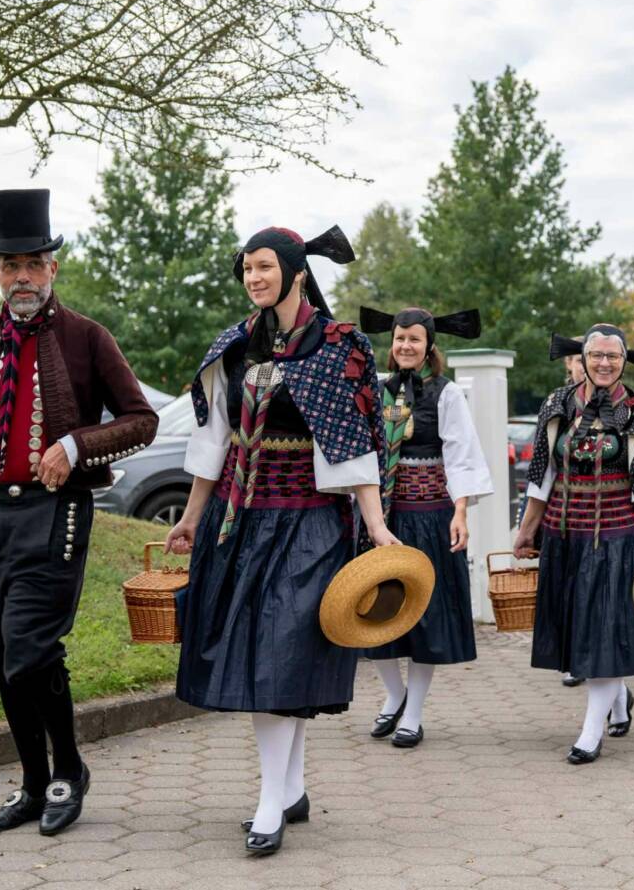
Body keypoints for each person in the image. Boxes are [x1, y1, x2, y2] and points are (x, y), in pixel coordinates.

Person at [0, 189, 158, 835]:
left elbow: (142, 421)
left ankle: (65, 772)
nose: (23, 277)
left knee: (28, 649)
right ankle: (30, 783)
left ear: (54, 268)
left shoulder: (86, 338)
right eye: (11, 265)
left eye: (35, 263)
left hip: (57, 518)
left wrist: (76, 445)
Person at [165, 225, 395, 857]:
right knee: (269, 657)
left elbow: (355, 443)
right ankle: (289, 788)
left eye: (264, 267)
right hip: (241, 518)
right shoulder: (235, 347)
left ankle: (270, 801)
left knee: (283, 652)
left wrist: (375, 527)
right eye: (246, 270)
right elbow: (213, 443)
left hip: (311, 522)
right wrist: (189, 518)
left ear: (296, 271)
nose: (253, 278)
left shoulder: (337, 347)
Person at [513, 324, 634, 764]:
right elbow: (542, 477)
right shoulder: (557, 404)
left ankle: (591, 731)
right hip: (566, 537)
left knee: (605, 630)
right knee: (585, 632)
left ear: (625, 361)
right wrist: (527, 529)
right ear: (582, 359)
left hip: (622, 539)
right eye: (596, 355)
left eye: (613, 356)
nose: (604, 363)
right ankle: (618, 698)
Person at [359, 306, 494, 748]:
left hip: (430, 515)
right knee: (374, 608)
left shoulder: (446, 394)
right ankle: (394, 694)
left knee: (425, 615)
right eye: (400, 338)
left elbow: (462, 456)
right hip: (383, 518)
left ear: (429, 345)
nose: (405, 346)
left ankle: (413, 713)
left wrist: (461, 512)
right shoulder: (376, 390)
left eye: (414, 339)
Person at [561, 348, 587, 689]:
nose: (588, 365)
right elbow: (543, 468)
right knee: (569, 595)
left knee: (596, 597)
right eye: (582, 358)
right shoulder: (559, 403)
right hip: (563, 518)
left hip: (608, 520)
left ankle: (588, 665)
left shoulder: (630, 407)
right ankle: (619, 696)